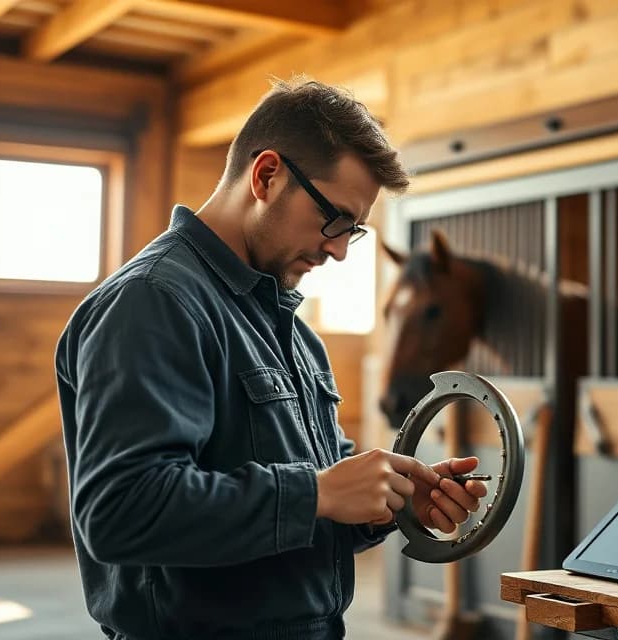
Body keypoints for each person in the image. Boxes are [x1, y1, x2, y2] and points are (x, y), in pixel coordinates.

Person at [54, 76, 488, 640]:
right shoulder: (154, 302)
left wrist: (393, 500)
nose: (336, 249)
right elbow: (121, 512)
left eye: (351, 232)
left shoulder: (291, 330)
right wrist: (318, 494)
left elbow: (314, 504)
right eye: (334, 219)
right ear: (266, 175)